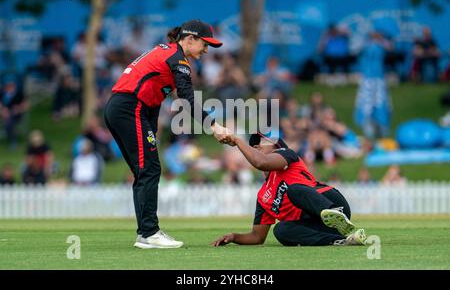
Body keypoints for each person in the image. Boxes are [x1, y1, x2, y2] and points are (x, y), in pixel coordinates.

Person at [104, 19, 231, 249]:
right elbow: (187, 100)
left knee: (145, 170)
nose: (206, 50)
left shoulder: (167, 52)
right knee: (149, 169)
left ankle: (147, 232)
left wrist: (152, 131)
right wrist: (214, 127)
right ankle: (149, 233)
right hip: (129, 108)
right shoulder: (178, 60)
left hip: (125, 108)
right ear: (190, 39)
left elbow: (153, 98)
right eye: (204, 44)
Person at [212, 132, 367, 247]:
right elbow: (257, 237)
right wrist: (233, 237)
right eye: (254, 146)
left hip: (330, 201)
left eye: (262, 142)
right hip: (316, 225)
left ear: (278, 147)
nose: (256, 146)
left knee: (293, 190)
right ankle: (341, 240)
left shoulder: (287, 155)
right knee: (281, 230)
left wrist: (238, 140)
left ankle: (336, 216)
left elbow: (261, 163)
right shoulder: (263, 196)